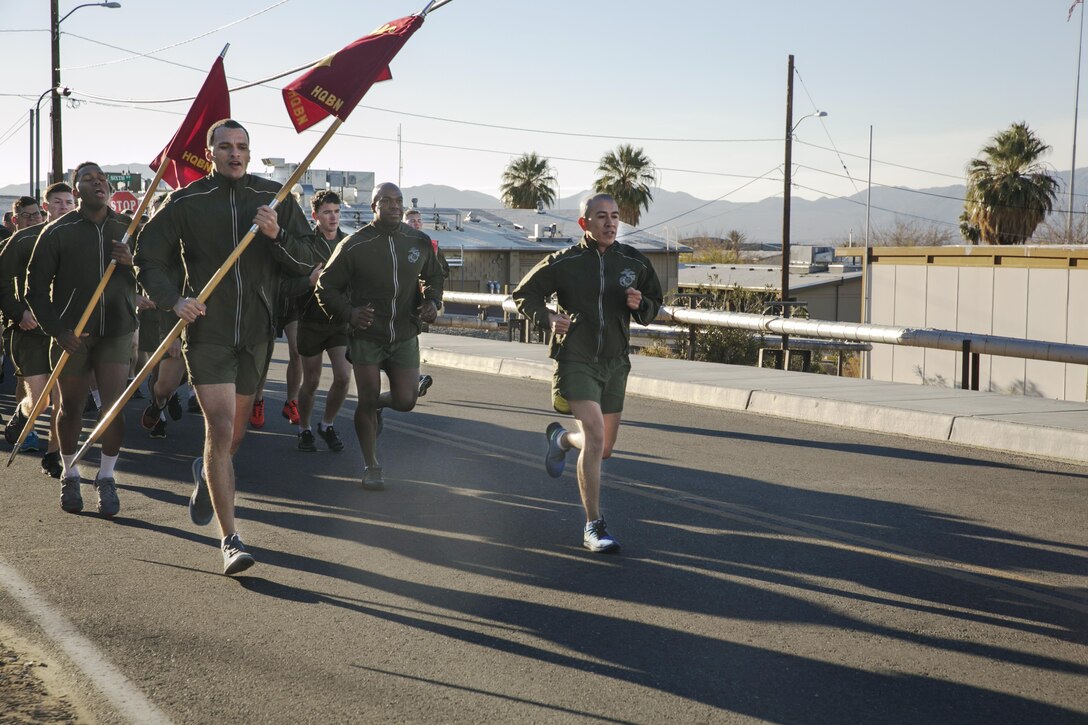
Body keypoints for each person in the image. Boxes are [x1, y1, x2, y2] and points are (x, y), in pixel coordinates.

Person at [135, 119, 316, 576]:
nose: (234, 153)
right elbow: (147, 255)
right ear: (210, 152)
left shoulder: (275, 197)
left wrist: (276, 236)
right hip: (208, 332)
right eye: (225, 146)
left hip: (257, 333)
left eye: (242, 147)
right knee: (219, 428)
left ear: (250, 153)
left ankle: (206, 478)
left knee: (234, 436)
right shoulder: (186, 201)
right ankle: (230, 539)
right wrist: (173, 299)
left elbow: (309, 261)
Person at [512, 193, 662, 553]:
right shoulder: (564, 262)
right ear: (584, 223)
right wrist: (547, 317)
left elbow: (655, 304)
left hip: (615, 362)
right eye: (601, 217)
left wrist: (642, 306)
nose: (610, 223)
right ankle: (594, 525)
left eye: (614, 217)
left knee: (603, 448)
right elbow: (523, 295)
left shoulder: (634, 261)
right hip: (575, 359)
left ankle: (562, 440)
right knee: (594, 437)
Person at [25, 164, 137, 517]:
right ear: (76, 190)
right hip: (72, 335)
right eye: (88, 179)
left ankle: (106, 477)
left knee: (113, 407)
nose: (98, 182)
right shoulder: (58, 232)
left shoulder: (127, 229)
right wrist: (59, 331)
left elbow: (151, 275)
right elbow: (35, 291)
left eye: (102, 178)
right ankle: (70, 472)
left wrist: (130, 263)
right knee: (70, 407)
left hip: (117, 331)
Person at [315, 182, 443, 490]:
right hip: (366, 336)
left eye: (398, 201)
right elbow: (325, 287)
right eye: (386, 201)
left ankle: (378, 406)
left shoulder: (419, 240)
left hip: (404, 334)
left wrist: (432, 301)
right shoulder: (355, 245)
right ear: (373, 207)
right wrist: (349, 313)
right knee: (366, 399)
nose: (395, 206)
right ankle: (372, 465)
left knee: (407, 399)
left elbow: (434, 275)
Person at [0, 184, 76, 477]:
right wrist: (19, 312)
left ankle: (54, 455)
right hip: (30, 330)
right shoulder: (25, 239)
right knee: (41, 400)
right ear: (46, 206)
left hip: (66, 331)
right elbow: (3, 281)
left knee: (63, 400)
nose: (63, 207)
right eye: (57, 202)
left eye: (69, 202)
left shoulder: (82, 238)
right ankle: (22, 412)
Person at [295, 190, 349, 453]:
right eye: (327, 212)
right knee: (312, 381)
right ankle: (304, 428)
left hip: (339, 322)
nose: (333, 217)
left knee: (343, 376)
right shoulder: (306, 244)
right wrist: (308, 282)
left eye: (337, 212)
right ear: (315, 215)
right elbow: (288, 283)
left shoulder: (349, 243)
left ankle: (326, 424)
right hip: (311, 321)